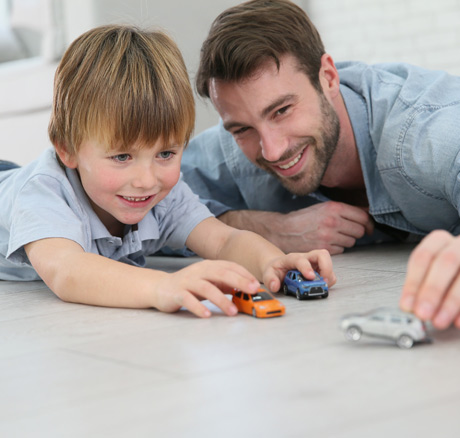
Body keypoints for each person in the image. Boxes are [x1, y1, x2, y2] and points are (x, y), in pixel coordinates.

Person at [0, 24, 335, 318]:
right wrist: (161, 287)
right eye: (121, 157)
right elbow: (67, 271)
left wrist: (271, 262)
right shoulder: (45, 190)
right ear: (67, 149)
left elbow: (223, 240)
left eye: (165, 153)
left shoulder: (165, 194)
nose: (147, 180)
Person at [181, 0, 460, 330]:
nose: (271, 150)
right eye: (243, 129)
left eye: (281, 110)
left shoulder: (426, 131)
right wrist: (264, 228)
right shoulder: (229, 149)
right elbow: (136, 202)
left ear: (328, 77)